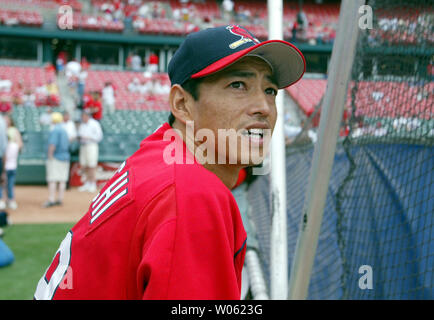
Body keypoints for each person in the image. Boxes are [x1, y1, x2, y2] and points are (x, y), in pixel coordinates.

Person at [34, 24, 305, 299]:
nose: (264, 106)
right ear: (182, 104)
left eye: (270, 90)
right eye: (238, 85)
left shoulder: (162, 154)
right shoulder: (191, 192)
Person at [43, 112, 70, 208]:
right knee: (62, 180)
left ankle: (51, 199)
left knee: (53, 179)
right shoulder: (64, 130)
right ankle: (60, 199)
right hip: (65, 156)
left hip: (56, 157)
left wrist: (50, 155)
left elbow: (52, 145)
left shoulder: (55, 130)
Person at [77, 110, 103, 193]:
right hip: (83, 146)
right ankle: (87, 183)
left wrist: (89, 137)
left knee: (92, 165)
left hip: (91, 145)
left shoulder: (95, 124)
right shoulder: (82, 125)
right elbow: (79, 134)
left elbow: (99, 136)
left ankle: (93, 183)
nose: (83, 118)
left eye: (84, 116)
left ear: (87, 116)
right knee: (85, 165)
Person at [0, 128, 21, 210]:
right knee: (10, 185)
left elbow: (4, 158)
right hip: (13, 167)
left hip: (5, 168)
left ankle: (2, 201)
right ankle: (11, 201)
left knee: (2, 185)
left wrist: (3, 169)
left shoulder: (4, 147)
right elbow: (20, 145)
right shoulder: (15, 145)